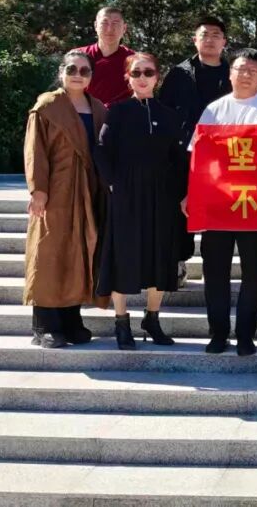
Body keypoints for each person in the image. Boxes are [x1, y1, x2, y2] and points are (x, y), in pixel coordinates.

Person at [184, 48, 257, 355]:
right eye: (240, 69)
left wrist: (220, 143)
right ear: (229, 74)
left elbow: (254, 140)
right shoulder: (214, 109)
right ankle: (218, 333)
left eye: (253, 71)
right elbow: (198, 155)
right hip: (217, 201)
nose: (245, 75)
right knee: (215, 271)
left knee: (254, 271)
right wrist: (190, 193)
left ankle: (245, 334)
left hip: (254, 201)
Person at [95, 53, 188, 350]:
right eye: (136, 73)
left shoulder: (170, 115)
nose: (142, 78)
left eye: (148, 72)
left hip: (163, 195)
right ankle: (121, 322)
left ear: (157, 77)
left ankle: (152, 318)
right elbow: (102, 149)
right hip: (127, 193)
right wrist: (113, 182)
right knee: (124, 255)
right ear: (128, 78)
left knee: (160, 256)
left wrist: (182, 193)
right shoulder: (117, 112)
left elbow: (180, 158)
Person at [23, 50, 108, 348]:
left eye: (84, 71)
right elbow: (35, 150)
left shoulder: (98, 108)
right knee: (50, 253)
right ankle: (44, 325)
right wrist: (38, 190)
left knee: (79, 254)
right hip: (55, 191)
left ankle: (71, 321)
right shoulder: (47, 106)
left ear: (91, 77)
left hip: (88, 191)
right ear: (61, 72)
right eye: (71, 69)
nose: (77, 75)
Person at [158, 16, 232, 287]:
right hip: (182, 153)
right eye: (204, 34)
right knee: (178, 210)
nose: (210, 39)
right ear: (194, 40)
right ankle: (179, 262)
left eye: (216, 35)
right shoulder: (179, 74)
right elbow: (164, 111)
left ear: (224, 42)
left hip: (223, 157)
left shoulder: (234, 74)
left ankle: (215, 268)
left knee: (218, 209)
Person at [75, 6, 135, 106]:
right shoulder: (78, 56)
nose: (110, 29)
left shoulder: (133, 59)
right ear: (95, 26)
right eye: (104, 23)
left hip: (120, 114)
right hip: (82, 112)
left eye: (115, 23)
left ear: (124, 28)